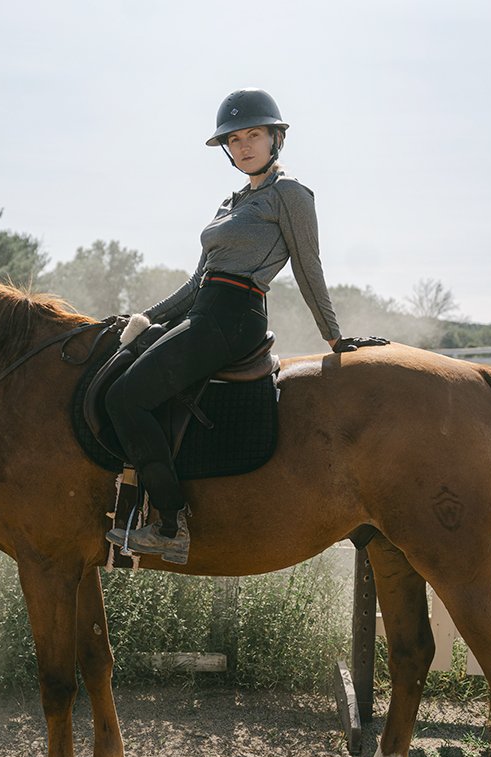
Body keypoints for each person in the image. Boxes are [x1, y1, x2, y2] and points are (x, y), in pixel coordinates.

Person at [104, 88, 387, 565]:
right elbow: (195, 283)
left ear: (275, 138)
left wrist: (333, 335)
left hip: (236, 317)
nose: (243, 146)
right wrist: (146, 318)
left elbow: (308, 267)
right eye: (234, 140)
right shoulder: (229, 203)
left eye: (253, 135)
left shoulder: (290, 194)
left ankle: (171, 522)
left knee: (124, 398)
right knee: (124, 369)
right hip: (205, 311)